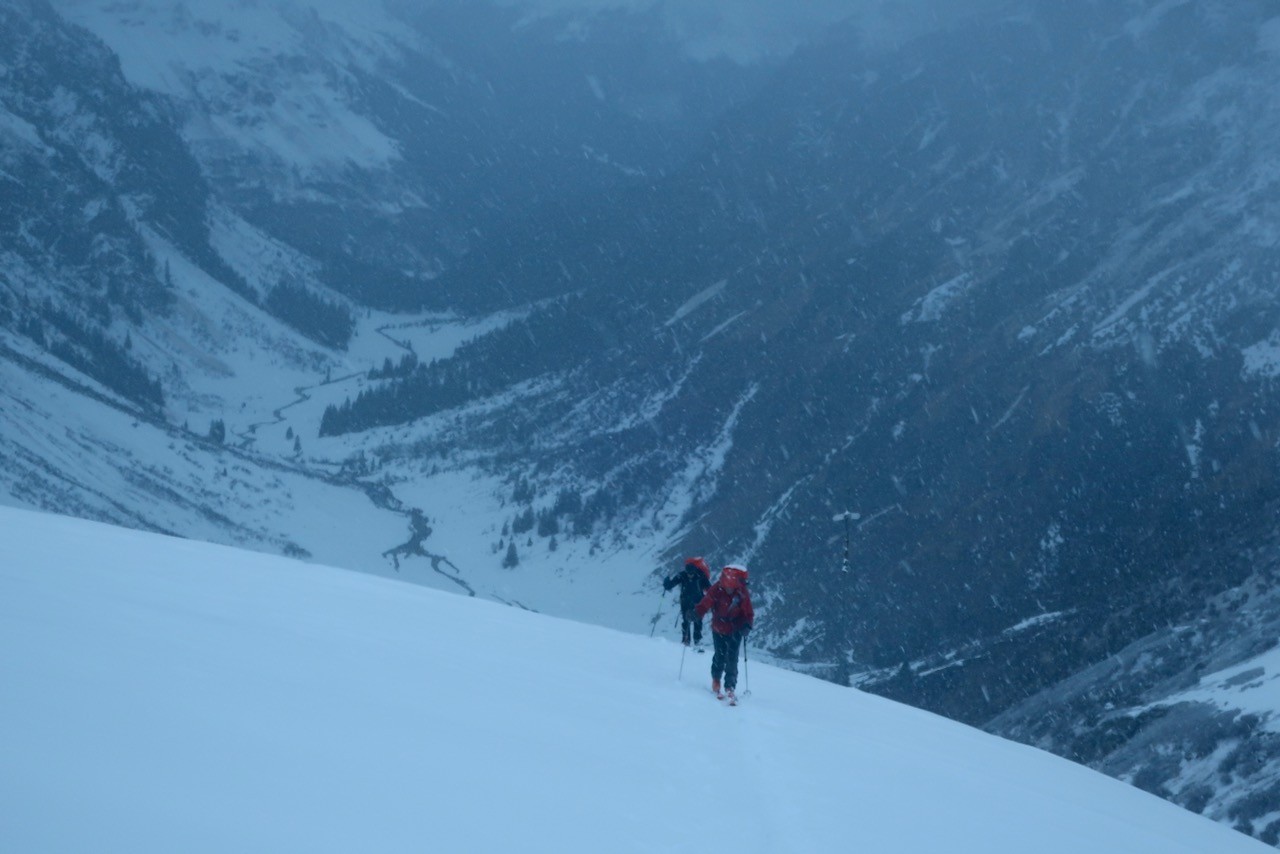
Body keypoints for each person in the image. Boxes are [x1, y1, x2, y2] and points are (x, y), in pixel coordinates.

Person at [694, 564, 754, 702]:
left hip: (735, 629)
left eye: (731, 588)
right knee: (720, 655)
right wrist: (697, 613)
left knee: (732, 658)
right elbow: (705, 603)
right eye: (727, 587)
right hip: (719, 628)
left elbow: (748, 613)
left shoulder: (742, 593)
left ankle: (730, 687)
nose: (728, 590)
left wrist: (747, 625)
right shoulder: (716, 589)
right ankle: (716, 679)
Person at [663, 557, 711, 647]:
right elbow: (672, 584)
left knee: (696, 622)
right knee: (687, 621)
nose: (690, 575)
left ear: (695, 571)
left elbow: (710, 590)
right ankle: (688, 641)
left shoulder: (698, 576)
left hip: (696, 603)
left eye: (691, 573)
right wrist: (667, 584)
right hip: (689, 602)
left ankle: (694, 641)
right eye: (688, 573)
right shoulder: (689, 575)